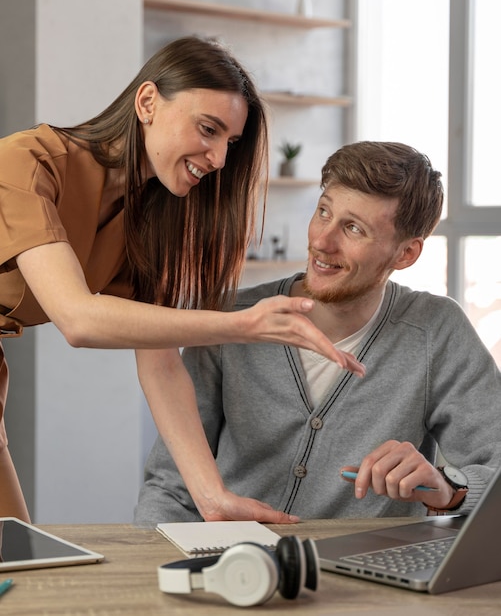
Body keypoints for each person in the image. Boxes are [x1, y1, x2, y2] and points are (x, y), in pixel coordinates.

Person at [0, 36, 365, 523]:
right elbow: (78, 318)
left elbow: (162, 366)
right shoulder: (24, 165)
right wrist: (242, 325)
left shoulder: (146, 218)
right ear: (148, 102)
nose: (217, 159)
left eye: (229, 144)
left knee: (18, 570)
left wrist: (212, 497)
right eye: (208, 129)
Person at [134, 140, 501, 526]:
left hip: (368, 573)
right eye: (323, 211)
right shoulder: (229, 319)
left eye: (354, 229)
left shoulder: (435, 330)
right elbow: (170, 485)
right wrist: (149, 573)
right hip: (234, 566)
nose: (322, 242)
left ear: (405, 254)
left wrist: (447, 489)